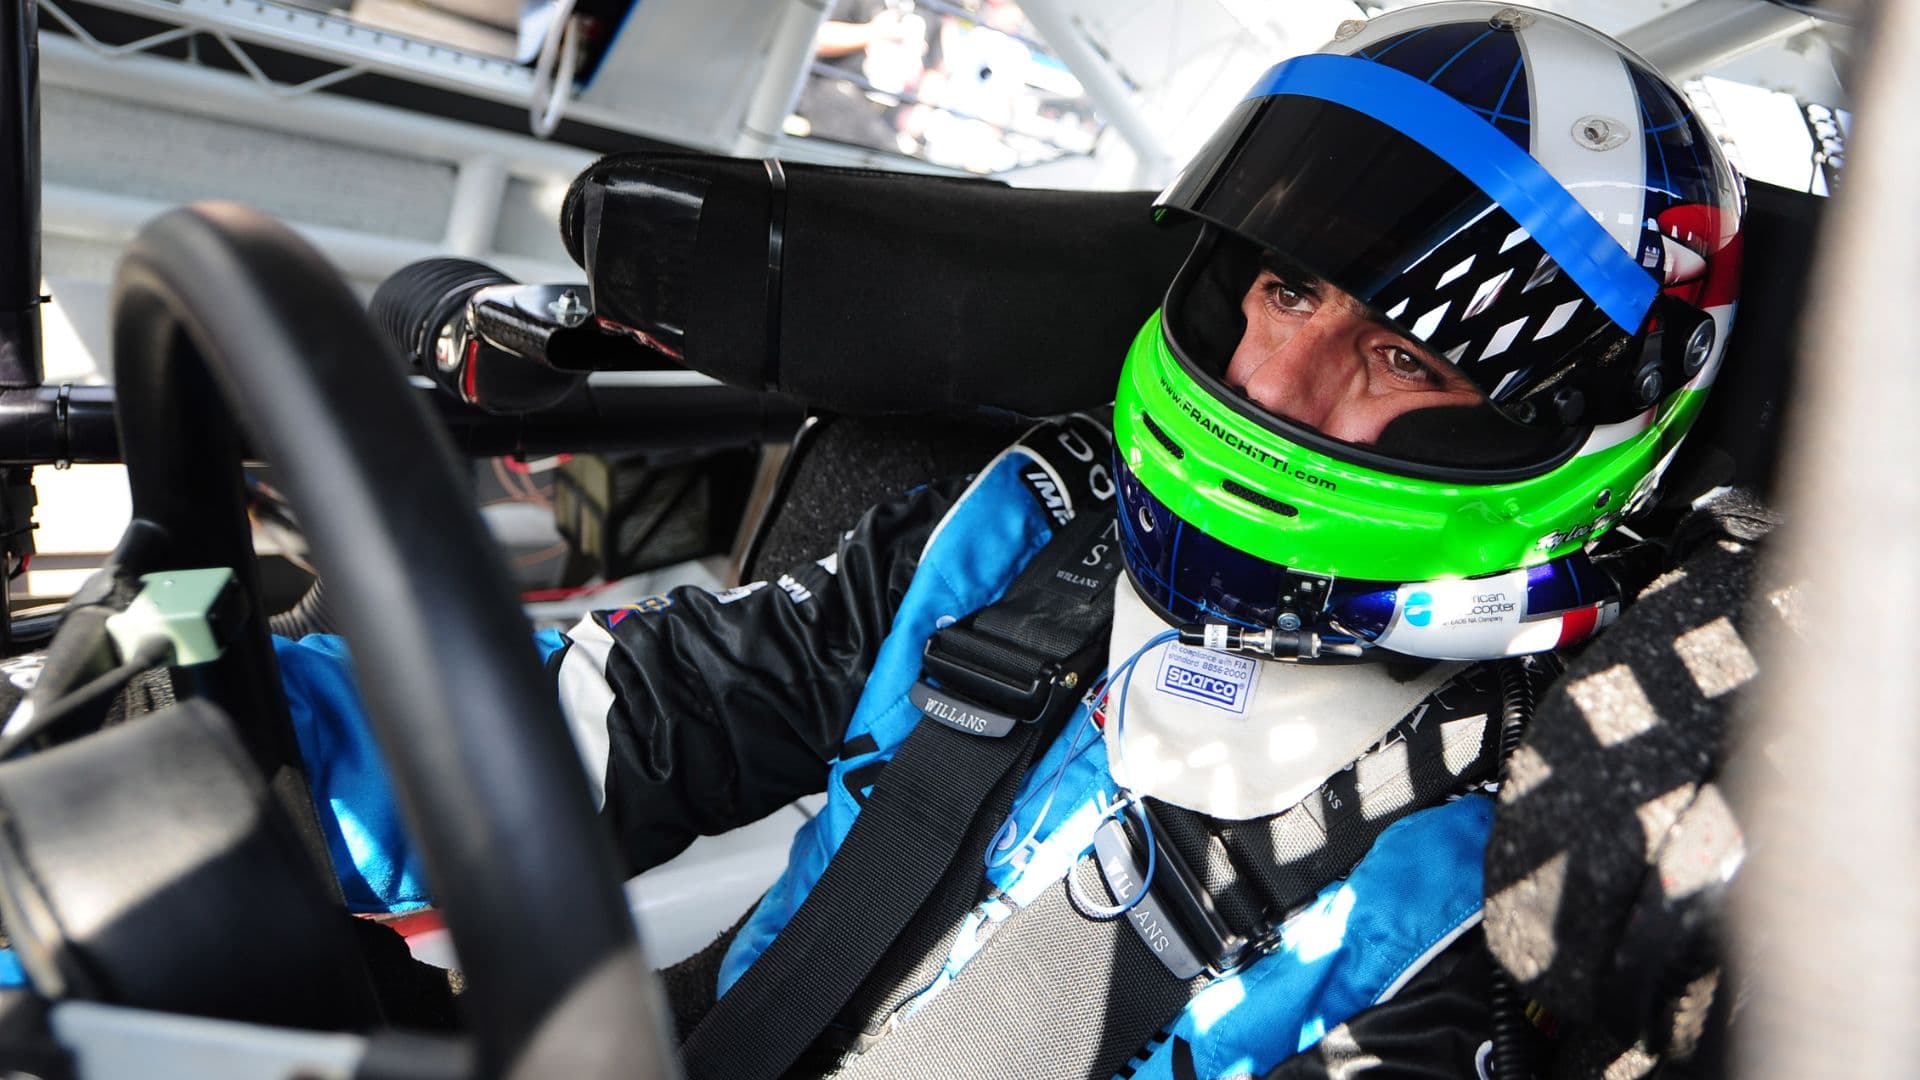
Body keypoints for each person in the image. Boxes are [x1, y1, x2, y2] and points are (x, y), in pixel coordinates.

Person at [277, 4, 1744, 1076]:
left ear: (1565, 428)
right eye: (1286, 290)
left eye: (1401, 355)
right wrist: (239, 714)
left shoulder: (1516, 834)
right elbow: (623, 722)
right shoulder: (1030, 534)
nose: (1270, 382)